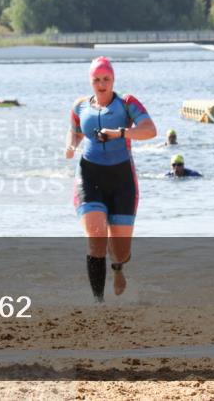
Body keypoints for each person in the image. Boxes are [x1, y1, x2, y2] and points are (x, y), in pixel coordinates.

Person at [65, 56, 157, 302]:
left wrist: (120, 133)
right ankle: (98, 303)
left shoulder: (127, 103)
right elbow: (74, 130)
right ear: (90, 81)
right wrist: (70, 145)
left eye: (106, 79)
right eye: (96, 80)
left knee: (120, 251)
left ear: (113, 80)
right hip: (89, 175)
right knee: (95, 239)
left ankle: (117, 268)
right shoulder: (80, 106)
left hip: (122, 180)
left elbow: (150, 130)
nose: (101, 84)